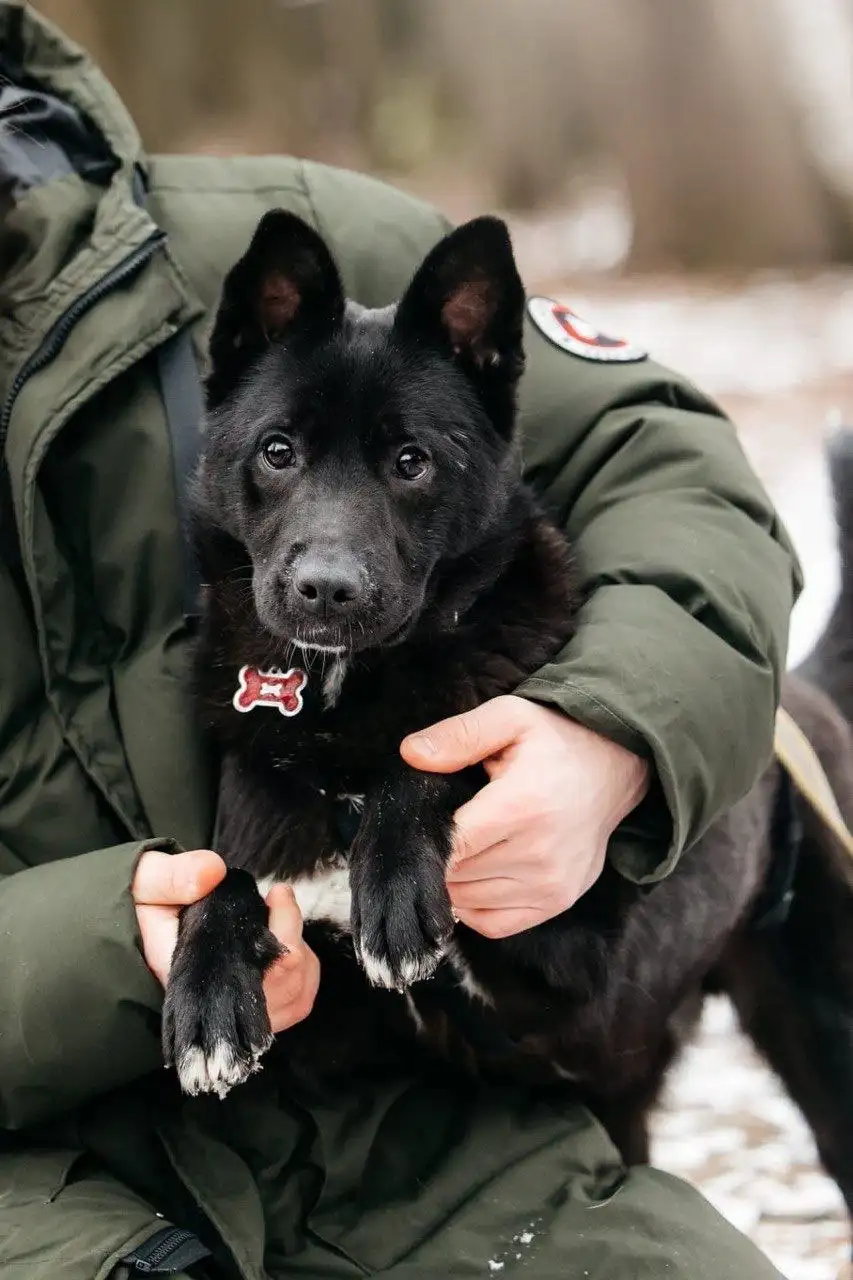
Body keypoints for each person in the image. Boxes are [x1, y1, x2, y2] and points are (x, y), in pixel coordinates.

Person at [0, 6, 798, 1278]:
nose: (320, 559)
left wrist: (612, 733)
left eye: (405, 462)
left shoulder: (235, 233)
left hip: (416, 1140)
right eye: (280, 456)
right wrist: (108, 947)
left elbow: (662, 457)